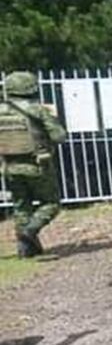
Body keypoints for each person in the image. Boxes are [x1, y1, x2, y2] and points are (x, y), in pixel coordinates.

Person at [0, 71, 67, 257]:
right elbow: (59, 136)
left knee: (22, 206)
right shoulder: (37, 109)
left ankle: (25, 251)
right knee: (51, 203)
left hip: (9, 167)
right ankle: (30, 231)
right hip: (37, 165)